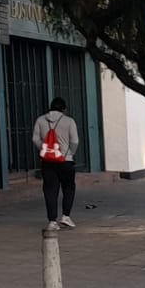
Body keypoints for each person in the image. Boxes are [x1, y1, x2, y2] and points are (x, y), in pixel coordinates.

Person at [33, 97, 80, 231]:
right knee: (68, 187)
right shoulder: (69, 121)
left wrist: (44, 149)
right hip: (65, 160)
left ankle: (52, 221)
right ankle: (66, 216)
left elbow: (35, 138)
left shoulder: (41, 120)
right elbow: (75, 141)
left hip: (48, 161)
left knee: (50, 189)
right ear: (64, 109)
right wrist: (69, 153)